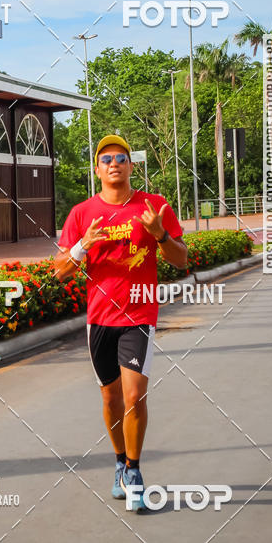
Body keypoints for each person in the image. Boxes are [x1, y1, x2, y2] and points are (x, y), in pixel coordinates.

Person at [53, 134, 187, 512]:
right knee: (110, 398)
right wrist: (84, 245)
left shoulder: (154, 205)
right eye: (106, 158)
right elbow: (60, 272)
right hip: (99, 319)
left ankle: (134, 468)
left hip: (139, 315)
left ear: (131, 165)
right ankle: (117, 460)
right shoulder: (82, 214)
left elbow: (180, 259)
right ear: (97, 169)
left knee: (134, 396)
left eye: (122, 157)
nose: (114, 163)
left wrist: (159, 234)